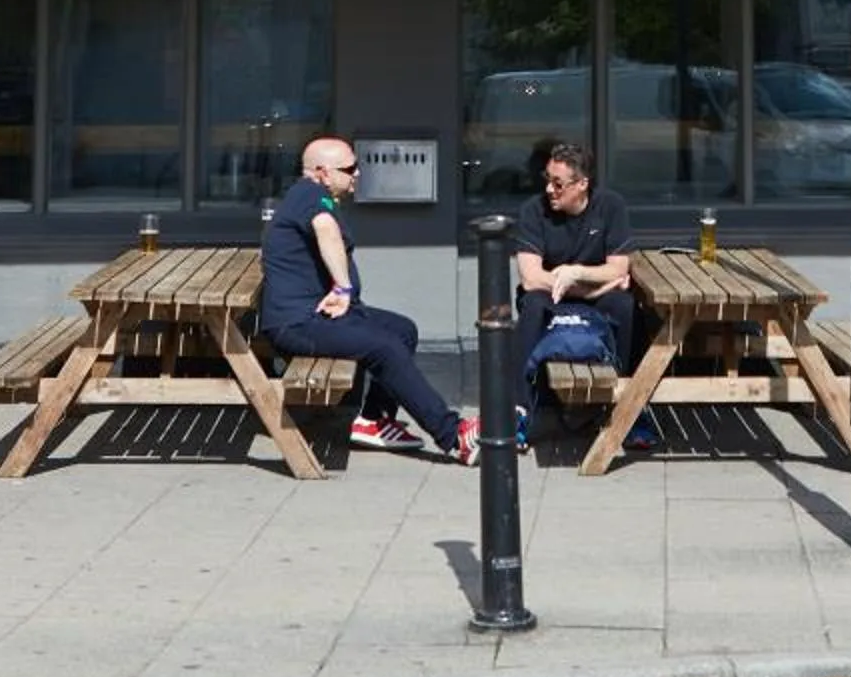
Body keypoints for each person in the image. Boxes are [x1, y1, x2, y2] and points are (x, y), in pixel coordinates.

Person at [259, 136, 477, 463]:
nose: (357, 174)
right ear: (322, 172)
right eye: (349, 168)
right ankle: (453, 434)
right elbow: (326, 230)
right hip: (297, 322)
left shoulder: (316, 197)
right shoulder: (309, 193)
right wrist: (343, 289)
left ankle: (374, 421)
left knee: (402, 330)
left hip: (319, 315)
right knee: (385, 348)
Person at [510, 141, 653, 449]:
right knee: (533, 306)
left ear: (582, 184)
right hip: (550, 295)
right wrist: (596, 286)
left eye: (558, 184)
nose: (550, 189)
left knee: (627, 306)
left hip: (582, 290)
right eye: (547, 179)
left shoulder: (610, 206)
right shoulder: (533, 212)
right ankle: (519, 411)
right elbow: (531, 277)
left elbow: (618, 266)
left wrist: (576, 273)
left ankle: (632, 408)